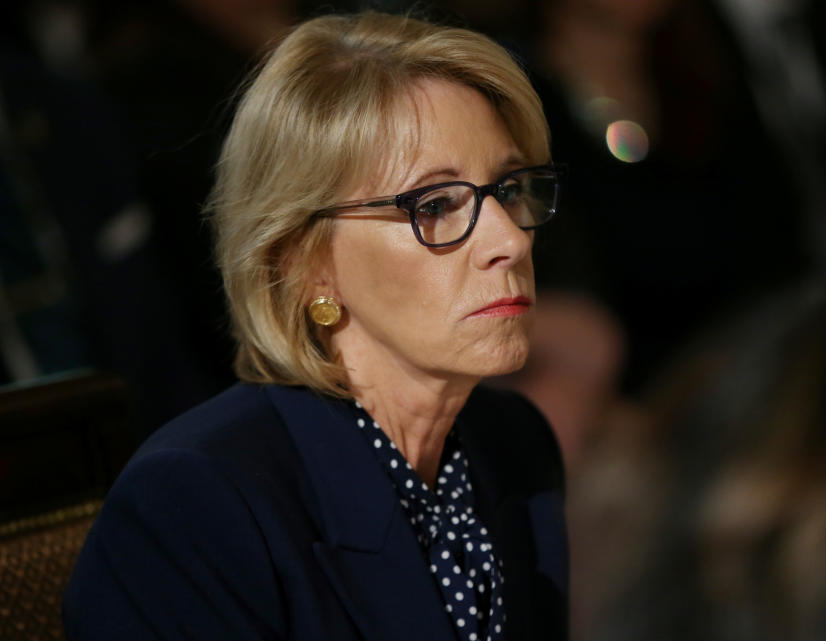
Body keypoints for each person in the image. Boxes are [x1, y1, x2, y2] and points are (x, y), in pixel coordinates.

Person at [62, 11, 568, 641]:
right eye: (434, 205)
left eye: (511, 188)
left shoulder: (515, 443)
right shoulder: (196, 505)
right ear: (305, 264)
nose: (510, 240)